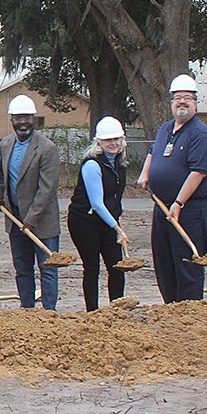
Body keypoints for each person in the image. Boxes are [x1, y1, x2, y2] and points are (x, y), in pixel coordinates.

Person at [138, 74, 207, 303]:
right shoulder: (166, 129)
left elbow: (198, 172)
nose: (182, 102)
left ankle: (190, 312)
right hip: (163, 206)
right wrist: (145, 174)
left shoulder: (200, 134)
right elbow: (153, 152)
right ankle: (171, 309)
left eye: (187, 98)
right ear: (171, 102)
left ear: (195, 102)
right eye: (178, 98)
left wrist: (179, 202)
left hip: (190, 209)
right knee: (164, 261)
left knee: (187, 262)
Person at [0, 95, 62, 310]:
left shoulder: (46, 148)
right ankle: (27, 309)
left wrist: (31, 219)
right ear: (11, 119)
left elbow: (47, 189)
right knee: (22, 267)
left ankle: (49, 312)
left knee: (47, 267)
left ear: (34, 119)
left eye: (27, 117)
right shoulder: (6, 144)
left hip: (42, 222)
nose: (23, 122)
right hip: (14, 219)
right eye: (18, 117)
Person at [68, 117, 129, 311]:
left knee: (117, 266)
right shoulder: (92, 165)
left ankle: (116, 309)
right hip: (84, 221)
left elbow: (114, 198)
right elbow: (97, 203)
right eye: (108, 140)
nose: (113, 143)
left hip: (107, 221)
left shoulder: (121, 164)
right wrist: (118, 229)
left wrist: (117, 218)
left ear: (122, 139)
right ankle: (92, 313)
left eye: (117, 139)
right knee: (92, 267)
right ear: (99, 142)